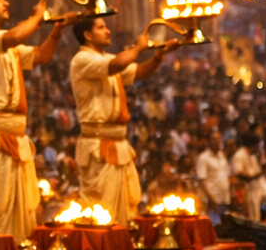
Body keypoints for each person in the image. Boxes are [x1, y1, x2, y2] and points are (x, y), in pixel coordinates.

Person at [0, 0, 71, 241]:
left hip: (17, 136)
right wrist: (38, 17)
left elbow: (41, 56)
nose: (6, 3)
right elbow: (13, 37)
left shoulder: (7, 45)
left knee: (24, 208)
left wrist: (56, 31)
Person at [67, 15, 181, 227]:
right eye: (102, 27)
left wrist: (158, 55)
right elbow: (119, 63)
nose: (108, 31)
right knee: (102, 212)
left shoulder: (107, 61)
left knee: (126, 211)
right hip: (98, 146)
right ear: (88, 35)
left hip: (119, 144)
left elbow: (140, 72)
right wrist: (138, 48)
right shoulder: (83, 60)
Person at [194, 130, 232, 219]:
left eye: (219, 139)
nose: (217, 141)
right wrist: (211, 199)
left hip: (224, 199)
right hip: (211, 201)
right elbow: (201, 180)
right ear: (208, 141)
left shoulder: (222, 156)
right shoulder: (203, 158)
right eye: (214, 139)